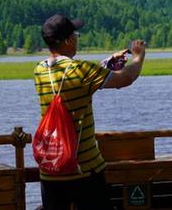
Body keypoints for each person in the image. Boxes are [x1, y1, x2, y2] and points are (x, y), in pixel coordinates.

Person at [33, 13, 146, 210]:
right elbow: (126, 78)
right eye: (76, 34)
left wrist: (106, 65)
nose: (77, 38)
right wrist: (138, 56)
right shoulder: (81, 70)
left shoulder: (40, 70)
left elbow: (75, 79)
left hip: (50, 170)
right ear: (68, 40)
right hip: (84, 168)